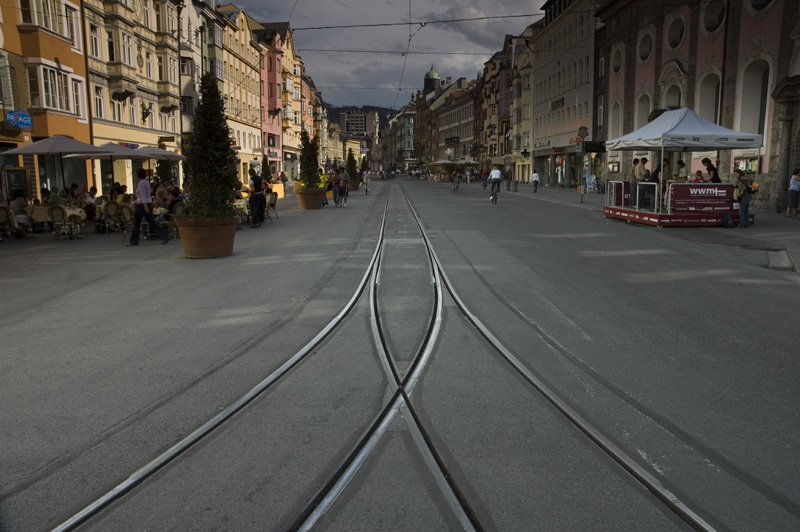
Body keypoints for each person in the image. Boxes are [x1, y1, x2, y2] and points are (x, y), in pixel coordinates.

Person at [127, 168, 171, 246]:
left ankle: (134, 241)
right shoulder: (147, 182)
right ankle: (164, 235)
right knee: (152, 222)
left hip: (142, 204)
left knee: (136, 223)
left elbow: (143, 195)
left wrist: (145, 206)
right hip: (149, 202)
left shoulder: (141, 183)